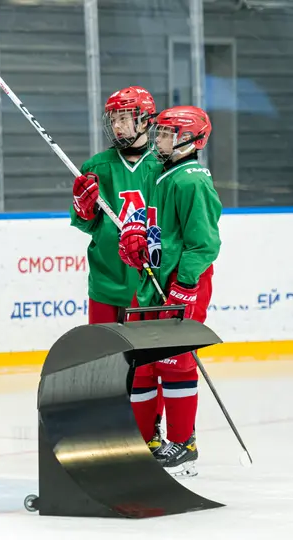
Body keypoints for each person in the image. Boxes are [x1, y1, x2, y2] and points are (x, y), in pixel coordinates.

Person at [118, 105, 222, 477]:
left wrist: (186, 285)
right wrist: (137, 242)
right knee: (144, 365)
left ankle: (183, 443)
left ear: (192, 140)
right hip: (153, 280)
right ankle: (146, 440)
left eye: (167, 134)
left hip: (181, 285)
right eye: (158, 132)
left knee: (174, 363)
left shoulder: (191, 180)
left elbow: (204, 242)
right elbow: (155, 226)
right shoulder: (163, 173)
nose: (158, 139)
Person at [68, 85, 166, 453]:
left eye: (126, 118)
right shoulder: (97, 165)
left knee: (147, 365)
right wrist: (83, 209)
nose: (119, 127)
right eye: (114, 119)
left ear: (145, 120)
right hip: (107, 279)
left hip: (148, 282)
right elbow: (85, 225)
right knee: (106, 363)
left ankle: (147, 434)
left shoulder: (163, 165)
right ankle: (109, 432)